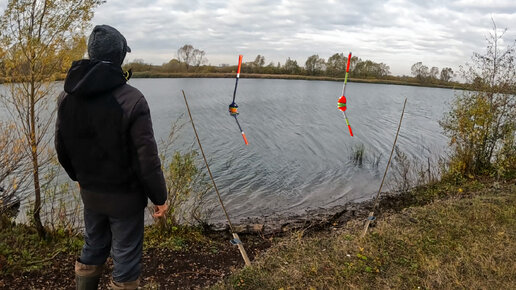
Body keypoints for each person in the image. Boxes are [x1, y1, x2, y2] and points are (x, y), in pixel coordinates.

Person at [55, 24, 168, 290]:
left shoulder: (67, 96)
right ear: (119, 57)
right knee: (126, 257)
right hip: (125, 199)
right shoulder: (132, 99)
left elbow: (62, 148)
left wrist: (79, 178)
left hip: (91, 193)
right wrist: (159, 197)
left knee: (93, 246)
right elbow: (147, 160)